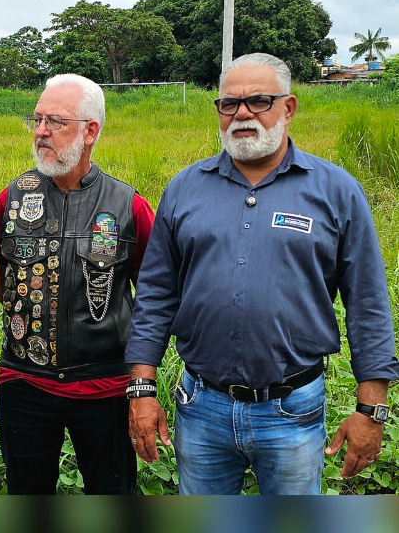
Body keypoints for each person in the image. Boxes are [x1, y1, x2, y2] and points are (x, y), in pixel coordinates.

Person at [125, 53, 398, 495]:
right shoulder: (184, 188)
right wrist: (141, 388)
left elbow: (367, 303)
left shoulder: (335, 191)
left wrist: (371, 410)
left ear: (287, 108)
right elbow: (155, 295)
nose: (243, 114)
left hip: (291, 410)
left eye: (259, 101)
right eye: (229, 104)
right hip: (201, 408)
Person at [0, 74, 155, 494]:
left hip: (105, 388)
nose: (41, 131)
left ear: (90, 131)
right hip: (24, 384)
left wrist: (140, 387)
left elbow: (154, 300)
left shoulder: (127, 206)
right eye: (37, 119)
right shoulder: (12, 198)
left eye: (55, 122)